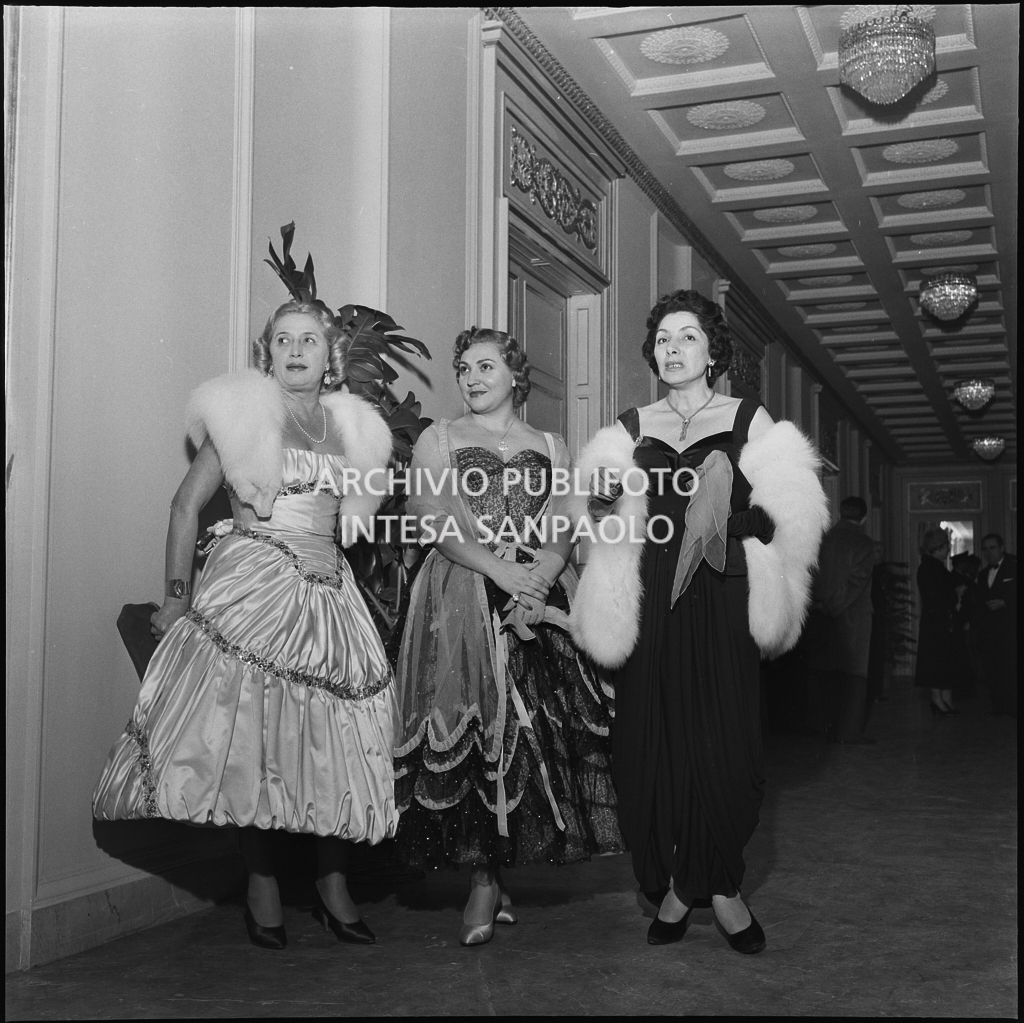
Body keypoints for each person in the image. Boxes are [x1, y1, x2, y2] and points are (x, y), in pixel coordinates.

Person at [93, 298, 398, 950]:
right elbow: (185, 507)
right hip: (253, 582)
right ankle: (260, 879)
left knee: (335, 741)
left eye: (309, 340)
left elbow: (352, 519)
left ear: (330, 354)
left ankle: (332, 881)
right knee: (252, 742)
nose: (295, 350)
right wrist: (177, 597)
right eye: (283, 339)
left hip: (328, 591)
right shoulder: (241, 417)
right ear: (268, 352)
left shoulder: (351, 427)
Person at [566, 289, 828, 955]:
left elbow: (789, 519)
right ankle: (682, 882)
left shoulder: (749, 420)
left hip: (721, 594)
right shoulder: (627, 426)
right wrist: (601, 503)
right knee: (651, 750)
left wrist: (718, 521)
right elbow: (595, 518)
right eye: (662, 339)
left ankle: (712, 887)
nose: (672, 348)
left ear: (713, 351)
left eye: (687, 337)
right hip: (652, 597)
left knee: (726, 746)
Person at [393, 328, 620, 947]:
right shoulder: (438, 439)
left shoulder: (549, 443)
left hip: (534, 601)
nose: (471, 377)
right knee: (475, 731)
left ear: (515, 375)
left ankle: (501, 873)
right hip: (462, 595)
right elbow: (429, 519)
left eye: (485, 366)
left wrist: (541, 578)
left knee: (529, 738)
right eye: (463, 367)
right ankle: (483, 882)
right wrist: (498, 569)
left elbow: (567, 520)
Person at [805, 496, 879, 744]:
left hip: (820, 617)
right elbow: (856, 582)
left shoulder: (822, 540)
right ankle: (849, 733)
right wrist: (834, 605)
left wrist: (821, 604)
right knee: (855, 676)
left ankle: (824, 729)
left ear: (840, 512)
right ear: (864, 517)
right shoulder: (864, 543)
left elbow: (810, 575)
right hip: (852, 618)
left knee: (825, 674)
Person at [912, 527, 963, 715]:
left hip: (939, 621)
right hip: (937, 622)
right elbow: (936, 596)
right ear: (937, 547)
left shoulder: (934, 567)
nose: (948, 550)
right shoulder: (929, 568)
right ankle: (937, 699)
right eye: (945, 546)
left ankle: (943, 699)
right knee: (937, 661)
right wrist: (954, 599)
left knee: (943, 661)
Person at [978, 533, 1017, 717]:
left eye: (992, 548)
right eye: (985, 549)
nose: (989, 552)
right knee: (993, 668)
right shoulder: (983, 574)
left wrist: (1006, 602)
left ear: (1002, 548)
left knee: (1011, 668)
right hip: (990, 632)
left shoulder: (1014, 566)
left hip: (1011, 628)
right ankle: (999, 706)